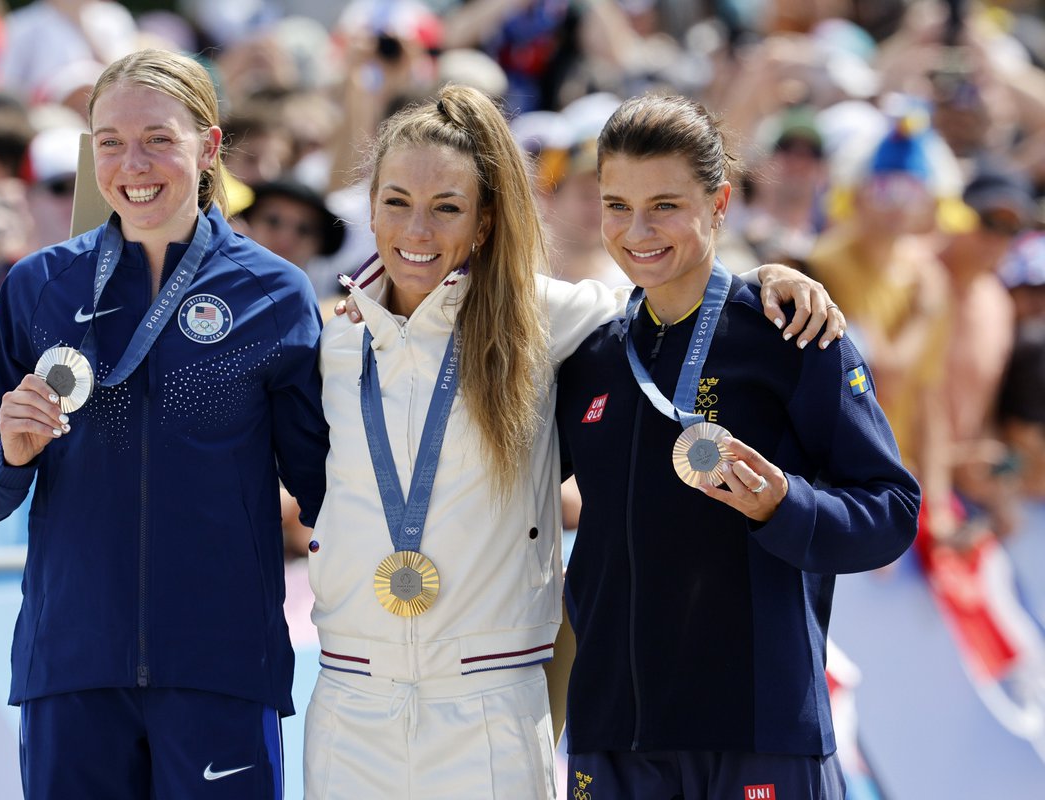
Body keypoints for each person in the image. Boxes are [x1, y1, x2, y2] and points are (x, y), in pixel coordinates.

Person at [304, 84, 845, 799]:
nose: (417, 231)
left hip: (490, 702)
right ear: (368, 206)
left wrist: (771, 281)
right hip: (351, 695)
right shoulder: (327, 341)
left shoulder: (552, 320)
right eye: (397, 201)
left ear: (486, 220)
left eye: (448, 208)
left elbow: (678, 293)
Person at [0, 49, 328, 799]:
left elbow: (325, 492)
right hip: (72, 671)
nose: (132, 163)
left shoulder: (273, 294)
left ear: (208, 147)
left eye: (158, 138)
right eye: (110, 142)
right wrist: (12, 456)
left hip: (222, 671)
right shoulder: (37, 288)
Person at [555, 94, 921, 800]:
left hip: (758, 730)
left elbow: (892, 509)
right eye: (617, 205)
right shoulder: (591, 356)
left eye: (665, 205)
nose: (638, 230)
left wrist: (786, 505)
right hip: (613, 735)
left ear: (720, 203)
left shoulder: (793, 334)